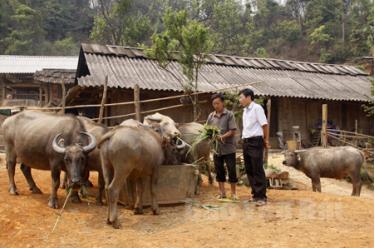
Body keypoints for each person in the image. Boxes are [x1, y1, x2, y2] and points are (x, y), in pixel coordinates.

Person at [239, 88, 270, 207]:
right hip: (246, 142)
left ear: (248, 97)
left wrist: (266, 140)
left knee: (257, 168)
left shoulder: (257, 108)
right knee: (249, 168)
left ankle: (262, 196)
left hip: (256, 141)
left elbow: (264, 125)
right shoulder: (245, 111)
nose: (240, 100)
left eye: (241, 97)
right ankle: (255, 195)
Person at [206, 93, 238, 200]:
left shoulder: (229, 115)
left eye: (217, 103)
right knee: (219, 170)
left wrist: (222, 137)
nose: (215, 105)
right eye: (214, 104)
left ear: (222, 103)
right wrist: (209, 136)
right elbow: (207, 130)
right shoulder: (211, 116)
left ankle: (233, 193)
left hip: (229, 148)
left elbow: (232, 131)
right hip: (216, 149)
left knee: (231, 169)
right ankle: (222, 192)